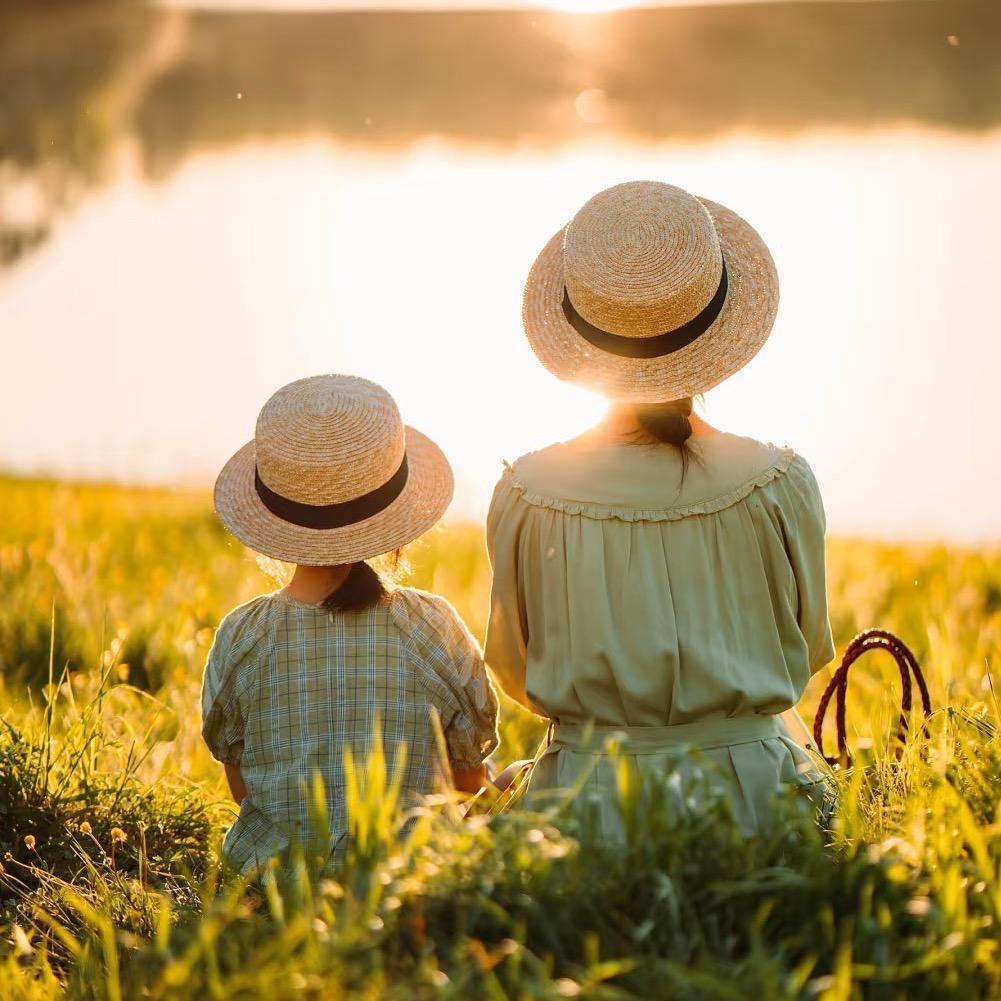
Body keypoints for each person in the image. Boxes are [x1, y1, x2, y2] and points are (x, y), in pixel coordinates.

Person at [485, 181, 834, 835]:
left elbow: (514, 668)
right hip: (760, 803)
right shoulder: (780, 481)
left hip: (587, 808)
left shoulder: (527, 492)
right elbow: (810, 644)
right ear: (715, 324)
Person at [202, 374, 499, 873]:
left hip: (273, 886)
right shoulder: (430, 627)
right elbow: (468, 781)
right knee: (511, 781)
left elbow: (243, 787)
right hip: (403, 886)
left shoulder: (242, 636)